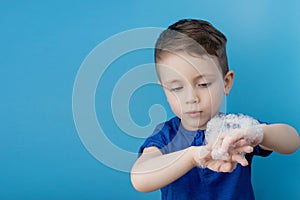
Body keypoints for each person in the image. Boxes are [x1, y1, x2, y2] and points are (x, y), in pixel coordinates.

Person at [130, 19, 299, 200]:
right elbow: (140, 179)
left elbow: (292, 141)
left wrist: (260, 133)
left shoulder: (237, 130)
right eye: (177, 88)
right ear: (164, 90)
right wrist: (193, 157)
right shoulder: (167, 135)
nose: (191, 98)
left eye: (203, 84)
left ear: (226, 83)